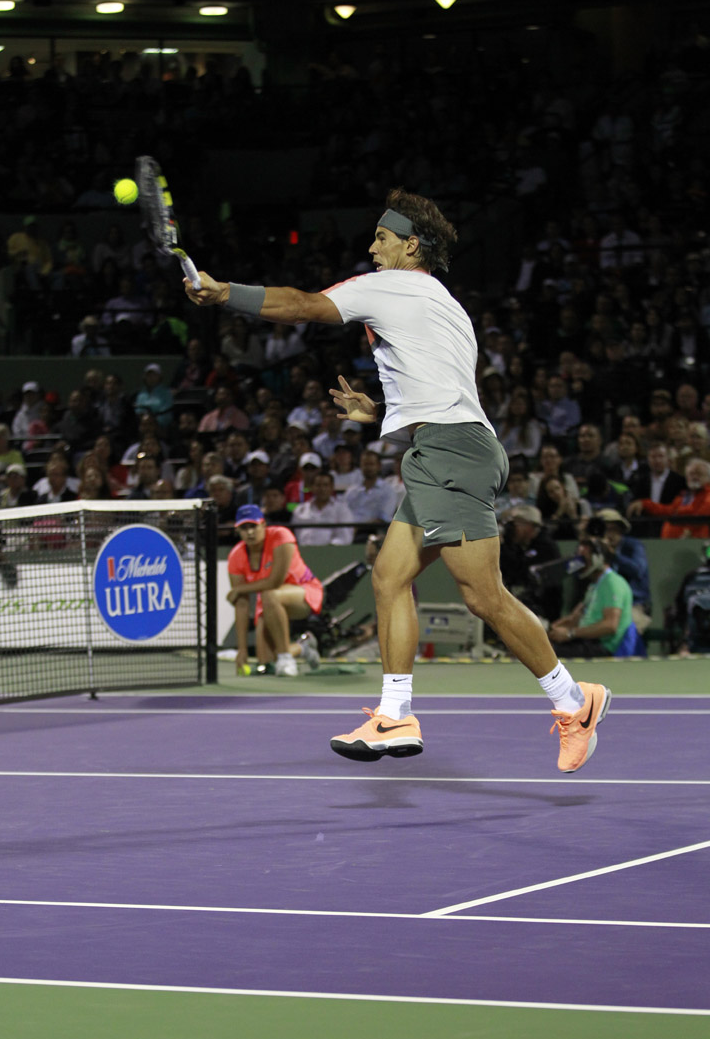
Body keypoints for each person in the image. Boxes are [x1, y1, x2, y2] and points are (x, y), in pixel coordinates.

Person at [185, 188, 611, 771]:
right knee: (388, 576)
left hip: (450, 453)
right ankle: (395, 714)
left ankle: (573, 701)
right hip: (450, 448)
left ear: (411, 246)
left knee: (483, 596)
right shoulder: (446, 303)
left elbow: (303, 305)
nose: (372, 248)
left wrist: (224, 293)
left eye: (382, 238)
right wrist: (383, 413)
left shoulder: (388, 285)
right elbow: (440, 389)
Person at [226, 504, 323, 677]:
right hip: (269, 603)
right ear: (238, 530)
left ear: (263, 524)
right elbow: (241, 603)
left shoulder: (281, 536)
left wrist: (240, 588)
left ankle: (286, 657)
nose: (249, 532)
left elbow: (275, 581)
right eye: (244, 528)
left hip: (303, 592)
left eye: (253, 526)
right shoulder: (236, 556)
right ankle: (302, 648)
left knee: (270, 594)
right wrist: (242, 649)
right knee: (267, 661)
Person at [548, 535, 635, 658]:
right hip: (586, 641)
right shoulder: (594, 585)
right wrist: (550, 630)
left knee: (546, 654)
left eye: (584, 559)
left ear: (598, 559)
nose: (580, 564)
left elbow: (610, 625)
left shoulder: (613, 583)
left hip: (601, 647)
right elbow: (574, 618)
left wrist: (570, 633)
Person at [628, 458, 710, 539]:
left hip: (697, 542)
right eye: (691, 474)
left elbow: (699, 514)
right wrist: (644, 503)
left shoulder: (708, 495)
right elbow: (669, 511)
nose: (694, 477)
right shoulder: (684, 496)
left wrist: (679, 513)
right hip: (674, 542)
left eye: (699, 474)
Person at [293, 470, 355, 545]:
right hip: (304, 549)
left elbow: (345, 537)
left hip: (332, 551)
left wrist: (328, 548)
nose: (322, 489)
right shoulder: (300, 510)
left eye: (326, 485)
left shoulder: (342, 510)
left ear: (332, 487)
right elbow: (296, 536)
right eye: (318, 485)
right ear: (312, 487)